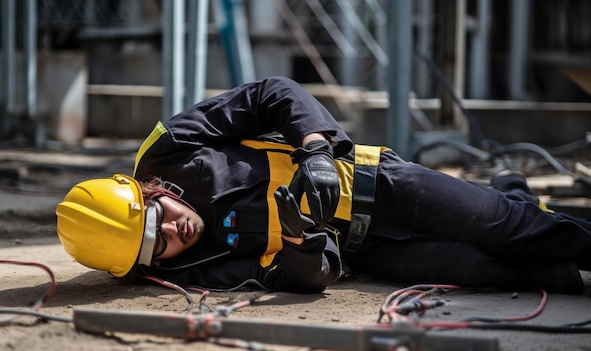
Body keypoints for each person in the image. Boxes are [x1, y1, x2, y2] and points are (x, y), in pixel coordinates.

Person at [57, 76, 590, 295]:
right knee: (495, 270)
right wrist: (297, 245)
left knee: (508, 226)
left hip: (375, 183)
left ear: (150, 190)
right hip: (367, 250)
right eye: (159, 247)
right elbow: (303, 283)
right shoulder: (187, 268)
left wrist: (314, 149)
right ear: (148, 265)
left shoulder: (168, 149)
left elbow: (272, 92)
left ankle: (515, 201)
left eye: (160, 220)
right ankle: (514, 192)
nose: (176, 233)